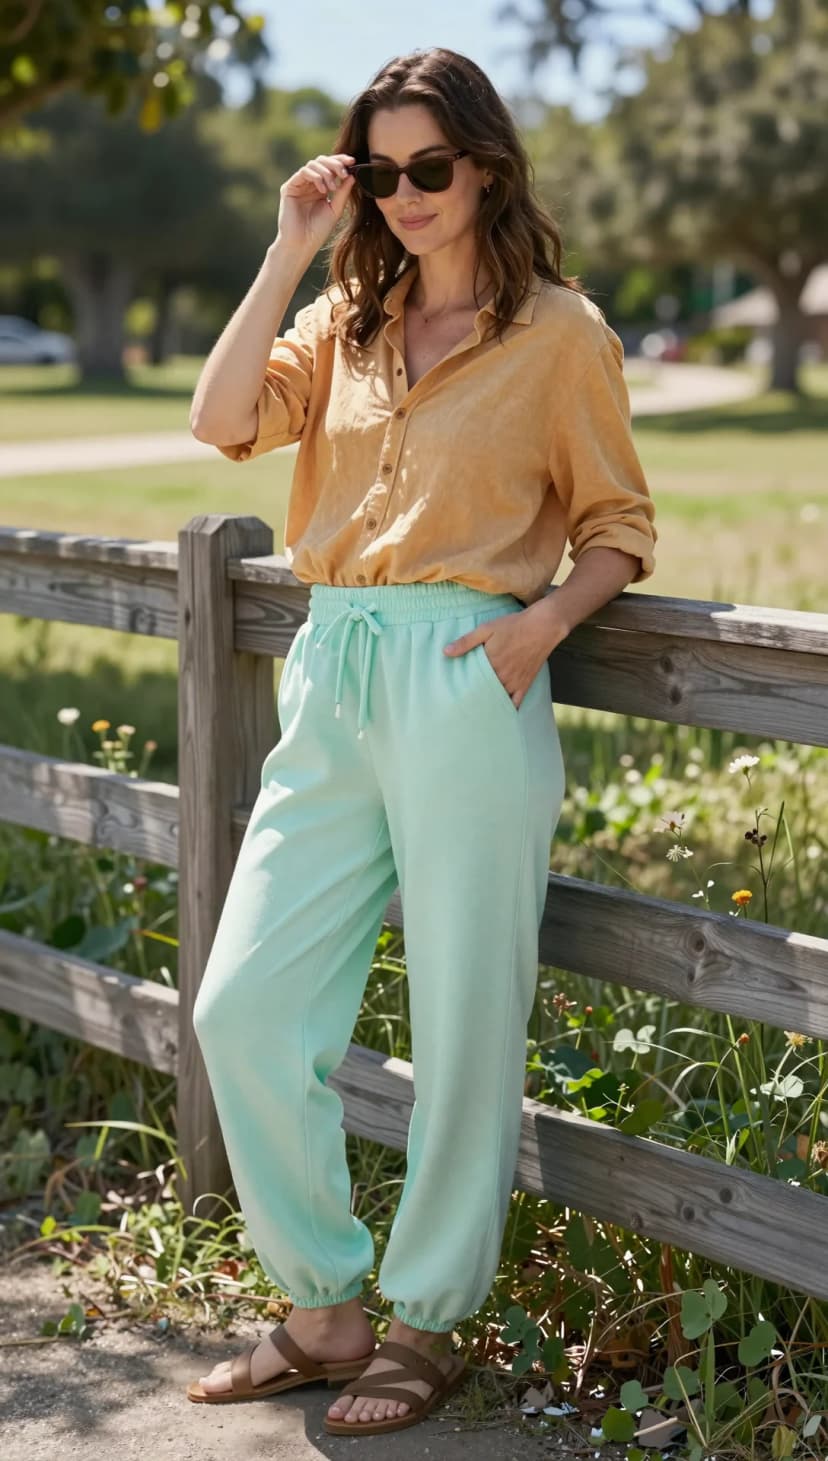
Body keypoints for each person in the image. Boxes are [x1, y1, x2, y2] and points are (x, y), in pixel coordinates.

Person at [186, 46, 656, 1438]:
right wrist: (290, 245)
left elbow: (618, 523)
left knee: (463, 1018)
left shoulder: (562, 334)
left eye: (429, 169)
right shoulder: (341, 322)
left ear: (488, 168)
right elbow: (219, 421)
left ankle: (430, 1318)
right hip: (334, 668)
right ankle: (324, 1306)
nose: (405, 195)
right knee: (243, 1005)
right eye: (381, 173)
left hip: (469, 674)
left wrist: (533, 632)